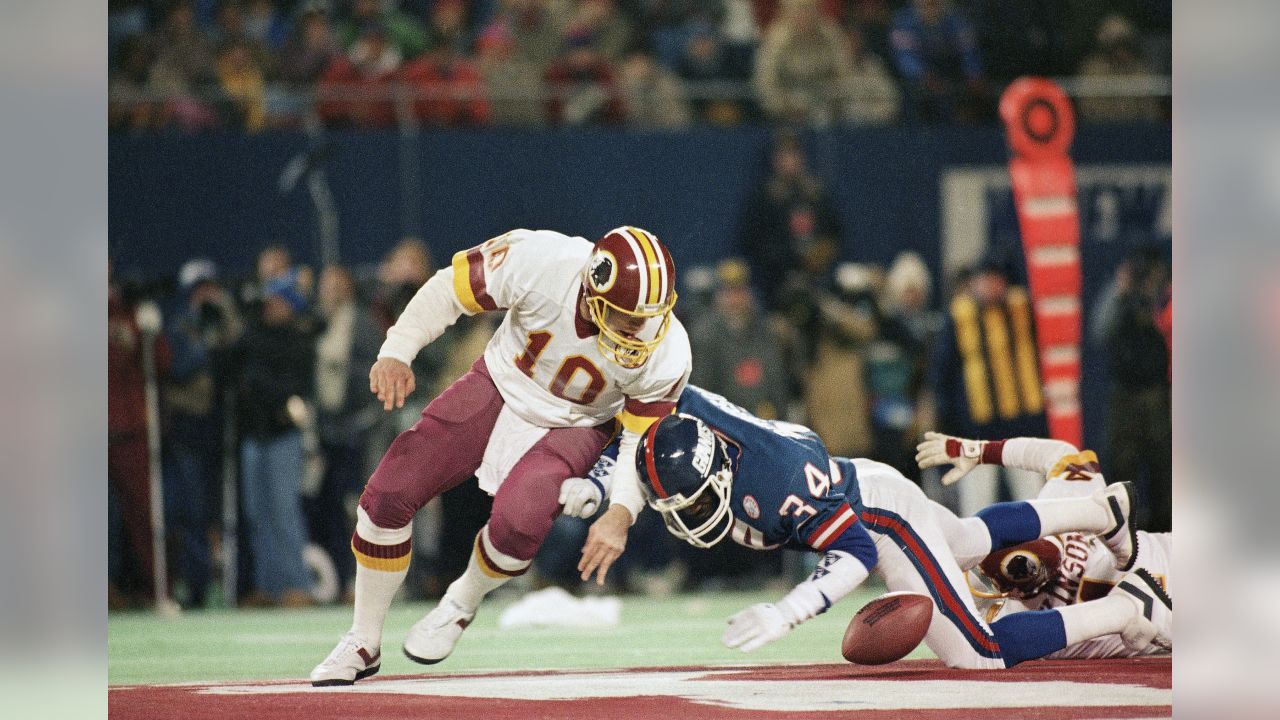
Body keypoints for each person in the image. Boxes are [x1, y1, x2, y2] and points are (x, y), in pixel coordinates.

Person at [309, 226, 691, 686]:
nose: (642, 331)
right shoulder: (541, 262)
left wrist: (622, 513)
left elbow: (637, 440)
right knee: (388, 493)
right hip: (500, 383)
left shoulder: (668, 350)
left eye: (650, 316)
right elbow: (448, 289)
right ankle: (362, 639)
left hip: (580, 422)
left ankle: (461, 602)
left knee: (519, 523)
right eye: (628, 318)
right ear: (593, 296)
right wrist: (397, 350)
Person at [563, 385, 1167, 669]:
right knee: (960, 541)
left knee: (981, 654)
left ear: (721, 474)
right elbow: (645, 416)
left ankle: (1121, 610)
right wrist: (596, 487)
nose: (693, 517)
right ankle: (1096, 511)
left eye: (695, 504)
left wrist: (788, 611)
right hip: (863, 479)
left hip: (877, 521)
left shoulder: (776, 485)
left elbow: (852, 553)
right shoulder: (693, 426)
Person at [917, 432, 1172, 658]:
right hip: (1170, 597)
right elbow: (1065, 454)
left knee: (988, 648)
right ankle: (1108, 528)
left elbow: (1063, 455)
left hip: (1170, 579)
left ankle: (1109, 533)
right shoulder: (1012, 616)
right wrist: (982, 451)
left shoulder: (1015, 618)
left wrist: (981, 451)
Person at [930, 252, 1048, 516]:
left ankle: (1041, 553)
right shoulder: (960, 316)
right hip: (976, 432)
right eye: (985, 280)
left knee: (1034, 500)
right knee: (977, 506)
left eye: (997, 280)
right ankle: (979, 557)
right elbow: (943, 374)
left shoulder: (1021, 310)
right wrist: (949, 426)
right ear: (974, 282)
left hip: (1020, 427)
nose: (992, 286)